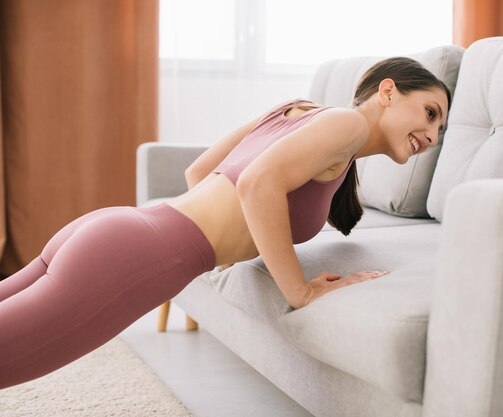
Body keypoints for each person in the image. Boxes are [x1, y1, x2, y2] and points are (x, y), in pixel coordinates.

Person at [0, 56, 450, 389]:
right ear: (387, 91)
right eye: (430, 113)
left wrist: (224, 237)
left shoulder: (301, 111)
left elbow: (199, 173)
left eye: (441, 131)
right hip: (137, 254)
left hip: (121, 231)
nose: (431, 137)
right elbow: (257, 185)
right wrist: (302, 291)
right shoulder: (347, 126)